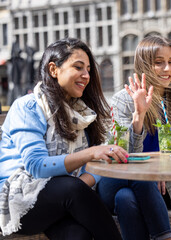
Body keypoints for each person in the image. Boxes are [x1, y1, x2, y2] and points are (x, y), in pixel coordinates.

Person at [0, 38, 123, 239]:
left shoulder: (81, 113)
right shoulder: (28, 107)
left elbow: (97, 166)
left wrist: (83, 181)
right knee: (71, 189)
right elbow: (36, 166)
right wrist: (89, 156)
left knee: (78, 234)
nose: (86, 75)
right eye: (78, 67)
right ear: (53, 69)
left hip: (62, 199)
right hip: (18, 199)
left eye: (89, 69)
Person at [97, 35, 171, 240]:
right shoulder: (123, 100)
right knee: (141, 178)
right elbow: (125, 157)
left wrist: (164, 171)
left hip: (156, 188)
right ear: (144, 65)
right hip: (115, 179)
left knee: (126, 199)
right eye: (159, 63)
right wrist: (139, 118)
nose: (167, 69)